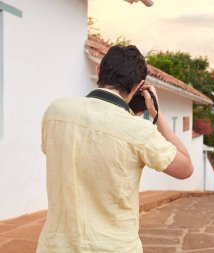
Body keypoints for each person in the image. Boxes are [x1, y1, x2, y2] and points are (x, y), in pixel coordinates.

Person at [36, 45, 194, 253]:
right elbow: (186, 168)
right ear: (138, 86)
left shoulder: (56, 111)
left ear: (99, 71)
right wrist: (156, 114)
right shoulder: (138, 131)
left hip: (55, 247)